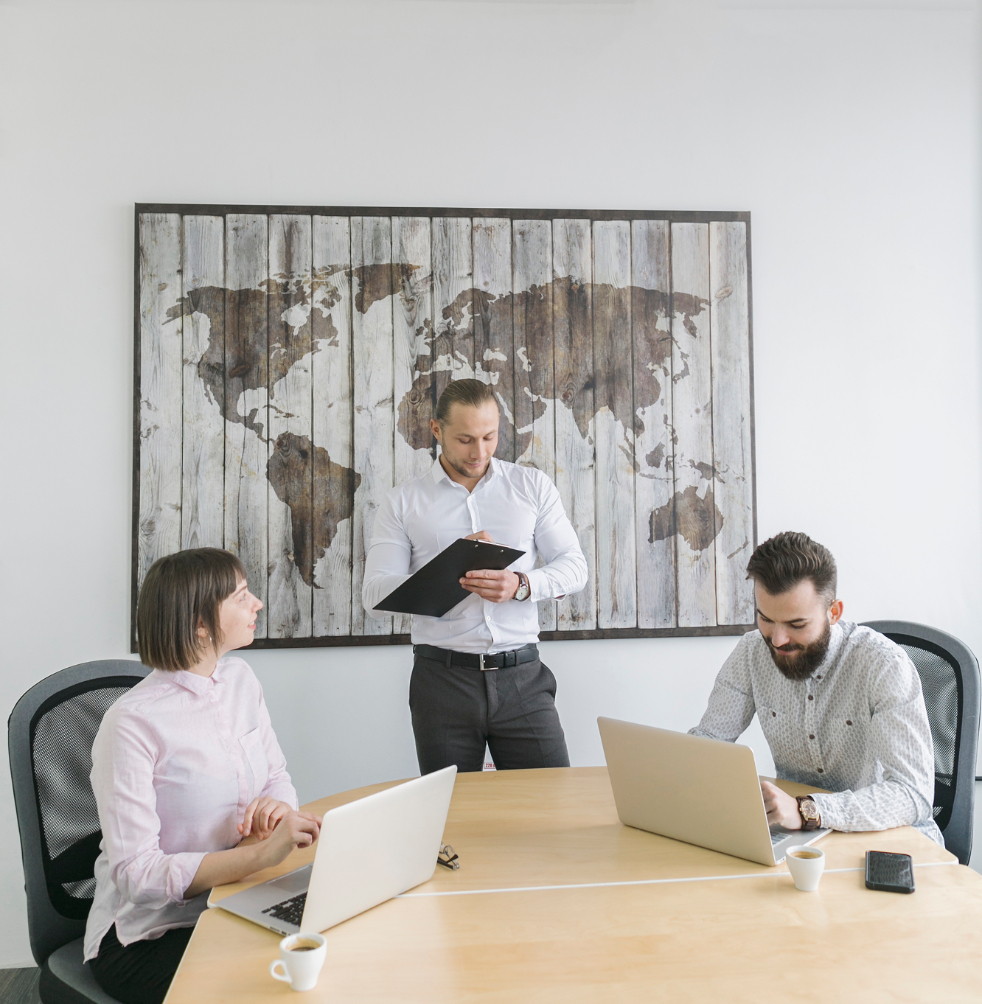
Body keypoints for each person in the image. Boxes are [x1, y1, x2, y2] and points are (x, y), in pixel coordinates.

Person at [85, 548, 322, 1004]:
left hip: (236, 899)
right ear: (199, 624)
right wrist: (263, 855)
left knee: (329, 957)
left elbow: (276, 774)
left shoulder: (241, 681)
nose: (256, 604)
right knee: (277, 991)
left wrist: (279, 805)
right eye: (241, 596)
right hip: (150, 935)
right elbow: (138, 874)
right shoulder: (132, 723)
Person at [362, 378, 588, 774]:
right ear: (436, 429)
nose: (479, 452)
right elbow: (374, 596)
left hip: (524, 680)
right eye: (465, 439)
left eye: (489, 437)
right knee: (452, 819)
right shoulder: (402, 502)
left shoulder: (532, 487)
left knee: (554, 806)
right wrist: (449, 568)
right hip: (441, 683)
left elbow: (574, 567)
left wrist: (521, 585)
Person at [689, 531, 942, 844]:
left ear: (833, 613)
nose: (777, 639)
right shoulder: (752, 652)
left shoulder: (883, 664)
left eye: (796, 625)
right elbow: (710, 742)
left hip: (890, 838)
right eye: (766, 619)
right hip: (800, 837)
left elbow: (912, 794)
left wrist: (808, 810)